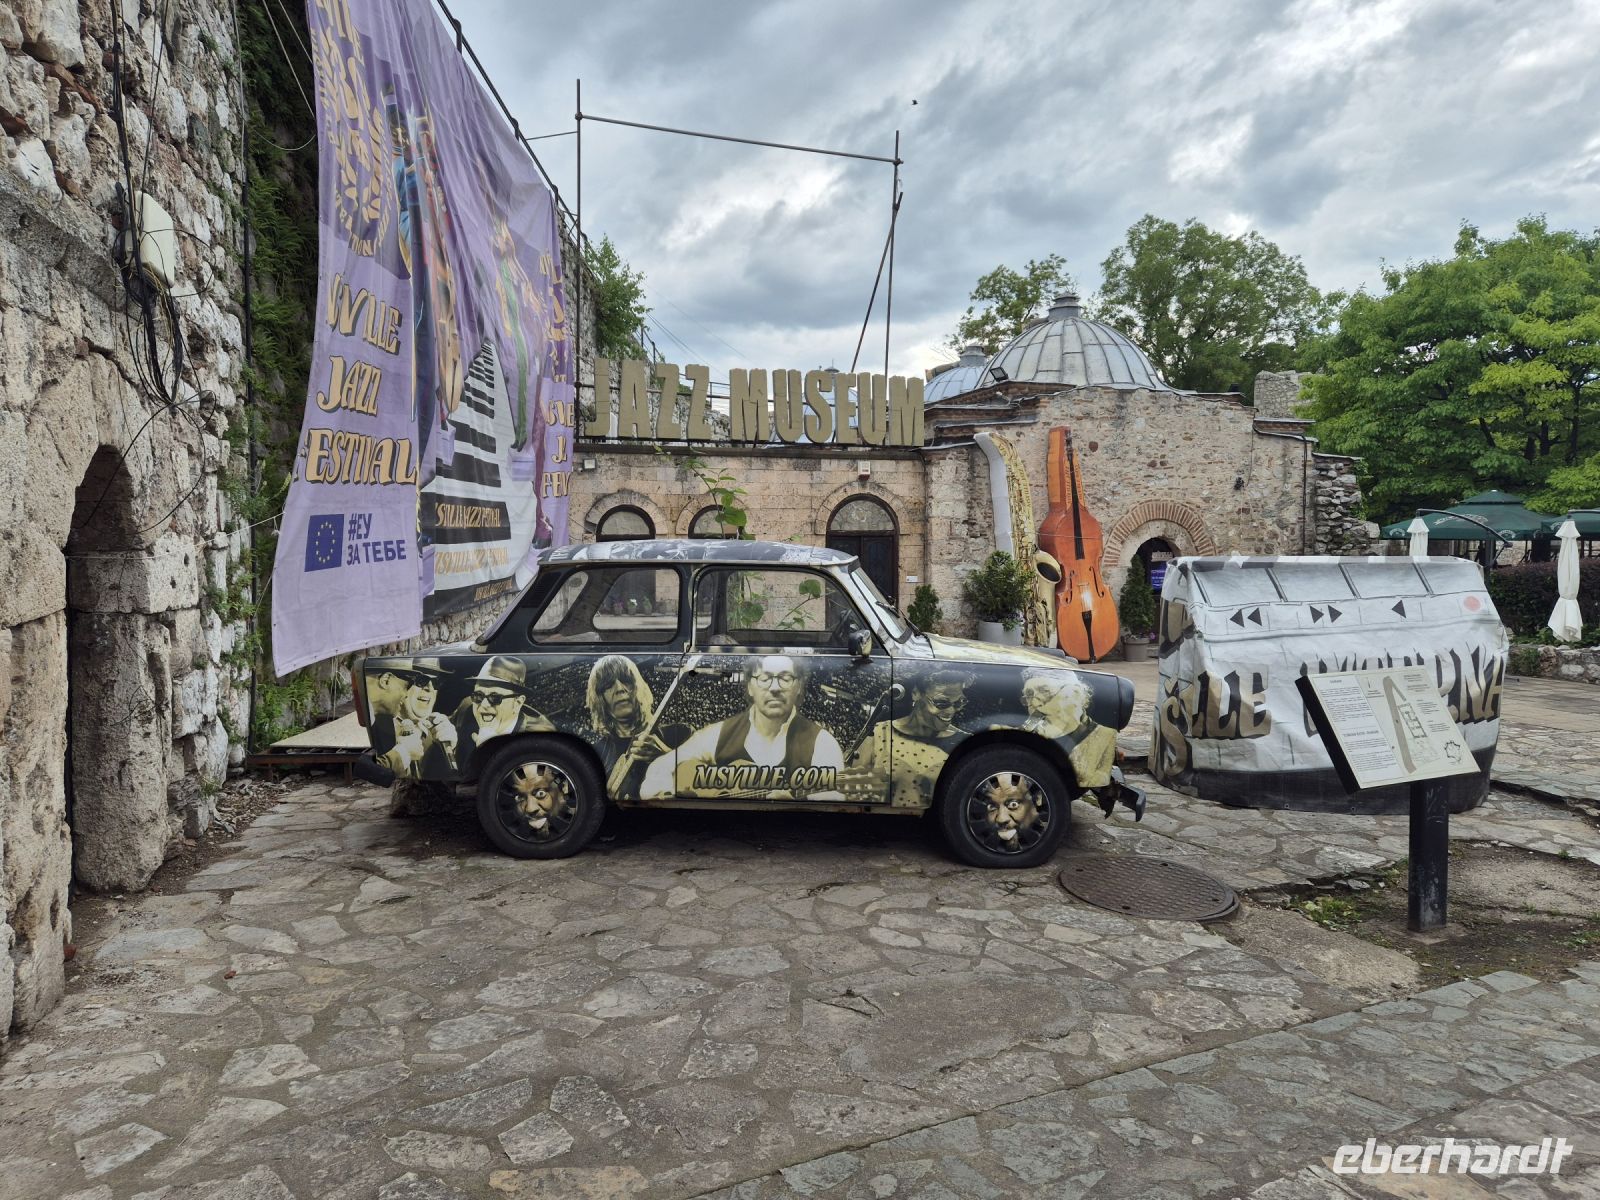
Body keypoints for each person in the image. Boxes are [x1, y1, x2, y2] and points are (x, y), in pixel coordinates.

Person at [640, 654, 843, 800]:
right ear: (749, 687)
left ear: (798, 686)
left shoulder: (822, 743)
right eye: (764, 679)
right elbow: (661, 767)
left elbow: (832, 796)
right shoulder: (719, 733)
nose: (774, 688)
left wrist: (797, 803)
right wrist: (665, 795)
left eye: (785, 678)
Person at [840, 669, 972, 807]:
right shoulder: (879, 733)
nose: (951, 711)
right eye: (942, 703)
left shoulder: (965, 741)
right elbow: (851, 789)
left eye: (959, 703)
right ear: (916, 693)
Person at [585, 654, 668, 800]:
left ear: (639, 687)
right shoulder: (596, 753)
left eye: (626, 681)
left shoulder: (681, 733)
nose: (619, 688)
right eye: (608, 685)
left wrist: (666, 757)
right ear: (600, 699)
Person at [450, 657, 555, 767]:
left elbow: (541, 780)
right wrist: (444, 729)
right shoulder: (466, 708)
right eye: (478, 695)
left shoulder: (539, 737)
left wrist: (491, 751)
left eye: (495, 697)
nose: (484, 704)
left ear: (518, 703)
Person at [1019, 669, 1117, 785]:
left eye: (1045, 691)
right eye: (1029, 695)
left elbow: (1097, 779)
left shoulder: (1105, 736)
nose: (1034, 704)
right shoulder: (1028, 736)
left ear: (1075, 694)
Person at [367, 658, 458, 779]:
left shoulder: (440, 728)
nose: (429, 689)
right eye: (422, 680)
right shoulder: (378, 726)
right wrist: (403, 753)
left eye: (436, 682)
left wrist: (452, 748)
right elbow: (373, 775)